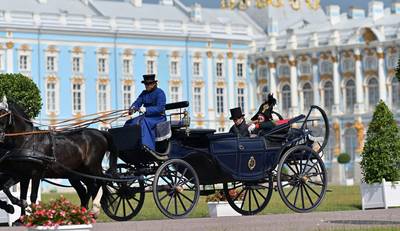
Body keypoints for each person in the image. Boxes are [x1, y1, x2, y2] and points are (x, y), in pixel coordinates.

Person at [125, 74, 166, 151]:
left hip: (158, 117)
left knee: (143, 122)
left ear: (154, 84)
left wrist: (146, 109)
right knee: (129, 122)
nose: (146, 86)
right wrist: (132, 108)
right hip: (147, 116)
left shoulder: (160, 93)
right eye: (145, 84)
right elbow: (137, 102)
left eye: (148, 84)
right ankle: (129, 145)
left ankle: (147, 146)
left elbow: (160, 108)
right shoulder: (144, 93)